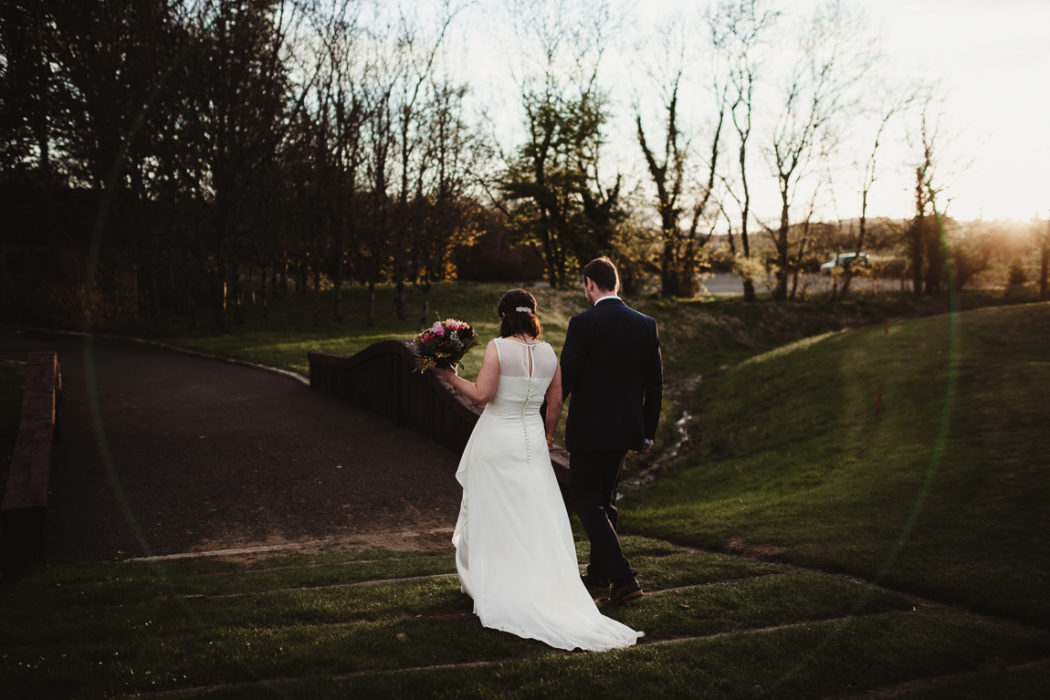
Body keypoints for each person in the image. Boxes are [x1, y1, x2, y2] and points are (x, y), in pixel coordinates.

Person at [437, 288, 642, 652]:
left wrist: (449, 375)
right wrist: (547, 435)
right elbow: (557, 399)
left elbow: (482, 395)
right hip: (531, 440)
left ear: (503, 317)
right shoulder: (548, 352)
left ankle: (494, 583)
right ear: (532, 315)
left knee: (495, 512)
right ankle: (533, 581)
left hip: (498, 440)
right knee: (532, 513)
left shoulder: (498, 348)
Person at [560, 257, 663, 605]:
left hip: (590, 431)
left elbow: (567, 378)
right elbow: (656, 385)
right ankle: (601, 575)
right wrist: (647, 432)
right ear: (616, 284)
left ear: (590, 283)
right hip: (626, 431)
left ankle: (624, 578)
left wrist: (542, 415)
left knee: (584, 499)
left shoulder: (583, 323)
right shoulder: (645, 324)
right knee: (605, 501)